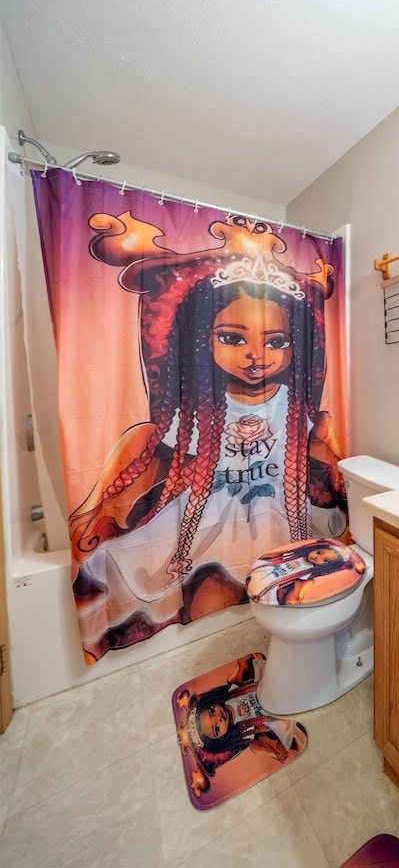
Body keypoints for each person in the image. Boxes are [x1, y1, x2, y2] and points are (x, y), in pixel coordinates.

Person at [67, 211, 349, 659]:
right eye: (232, 339)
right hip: (201, 530)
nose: (257, 356)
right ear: (201, 338)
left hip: (278, 521)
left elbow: (332, 474)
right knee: (204, 594)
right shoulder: (191, 412)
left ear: (298, 346)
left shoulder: (301, 413)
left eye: (277, 342)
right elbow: (140, 464)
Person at [175, 652, 308, 777]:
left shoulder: (233, 688)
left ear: (211, 702)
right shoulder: (251, 735)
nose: (219, 718)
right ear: (221, 740)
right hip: (281, 707)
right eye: (217, 729)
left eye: (212, 711)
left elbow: (253, 662)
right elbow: (280, 748)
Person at [246, 538, 366, 605]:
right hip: (266, 572)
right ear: (315, 548)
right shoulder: (290, 555)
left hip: (272, 589)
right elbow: (269, 557)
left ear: (327, 567)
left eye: (326, 561)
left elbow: (295, 596)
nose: (317, 558)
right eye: (319, 553)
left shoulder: (306, 576)